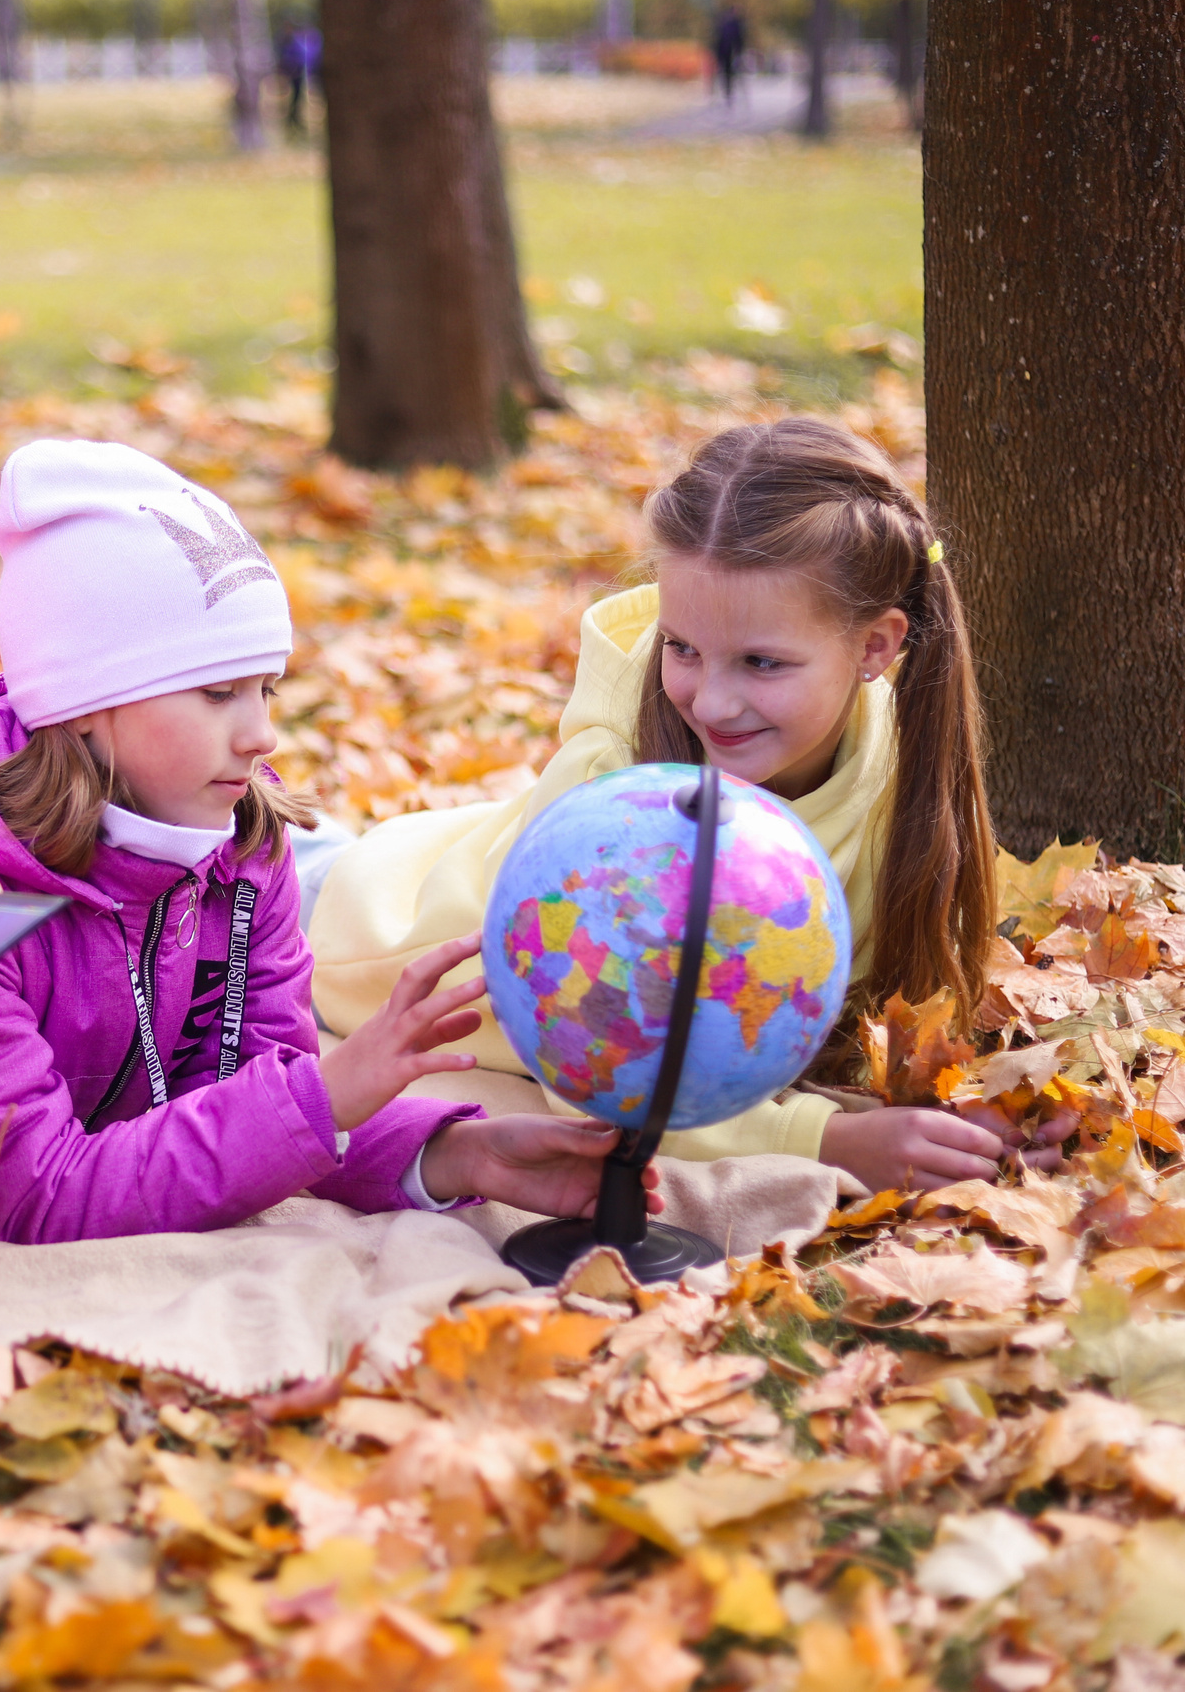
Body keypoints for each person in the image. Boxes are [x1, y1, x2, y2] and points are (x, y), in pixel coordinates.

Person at [0, 439, 659, 1241]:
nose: (262, 735)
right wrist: (327, 1094)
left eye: (265, 688)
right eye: (216, 693)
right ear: (84, 702)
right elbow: (39, 1195)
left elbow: (252, 1103)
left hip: (116, 1151)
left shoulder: (244, 838)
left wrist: (456, 1155)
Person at [309, 418, 1031, 1197]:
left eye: (761, 662)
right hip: (344, 922)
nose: (711, 700)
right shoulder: (610, 786)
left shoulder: (901, 756)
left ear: (876, 647)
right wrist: (827, 1139)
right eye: (681, 647)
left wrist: (973, 1117)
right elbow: (600, 1063)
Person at [712, 7, 747, 106]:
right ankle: (729, 94)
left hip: (728, 53)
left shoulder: (726, 24)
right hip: (728, 53)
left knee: (728, 75)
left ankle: (729, 94)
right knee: (728, 75)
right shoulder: (732, 24)